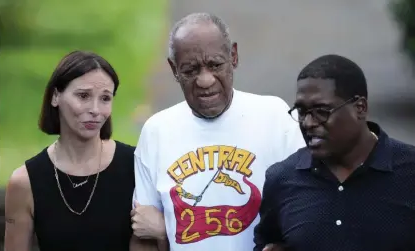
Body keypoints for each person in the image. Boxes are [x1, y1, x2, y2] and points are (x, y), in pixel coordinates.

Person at [130, 13, 305, 251]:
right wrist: (162, 231)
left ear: (233, 56)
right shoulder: (156, 131)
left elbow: (308, 207)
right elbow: (144, 235)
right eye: (191, 70)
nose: (205, 80)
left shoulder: (275, 117)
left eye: (215, 65)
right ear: (173, 69)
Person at [253, 54, 415, 251]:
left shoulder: (409, 172)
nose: (308, 123)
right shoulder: (282, 179)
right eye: (302, 111)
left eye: (322, 111)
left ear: (360, 108)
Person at [4, 50, 157, 251]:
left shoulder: (137, 165)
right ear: (55, 96)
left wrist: (161, 228)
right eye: (83, 96)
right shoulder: (25, 182)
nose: (95, 109)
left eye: (105, 98)